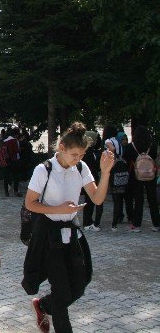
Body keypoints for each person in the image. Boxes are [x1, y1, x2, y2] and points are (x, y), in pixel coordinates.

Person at [23, 122, 114, 333]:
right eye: (74, 154)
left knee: (81, 283)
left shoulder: (80, 168)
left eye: (81, 154)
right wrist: (59, 209)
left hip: (71, 233)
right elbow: (30, 203)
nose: (78, 159)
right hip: (49, 235)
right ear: (61, 148)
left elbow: (97, 199)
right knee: (62, 292)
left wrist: (106, 172)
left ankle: (44, 305)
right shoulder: (43, 169)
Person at [123, 125, 159, 232]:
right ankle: (156, 224)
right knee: (152, 200)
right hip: (150, 175)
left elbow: (126, 158)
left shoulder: (131, 146)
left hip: (136, 176)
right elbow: (154, 158)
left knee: (138, 200)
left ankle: (136, 225)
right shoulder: (152, 145)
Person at [2, 128, 22, 197]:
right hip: (14, 160)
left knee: (6, 176)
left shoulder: (4, 140)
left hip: (5, 160)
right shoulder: (14, 141)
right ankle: (15, 191)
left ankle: (6, 191)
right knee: (16, 176)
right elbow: (17, 150)